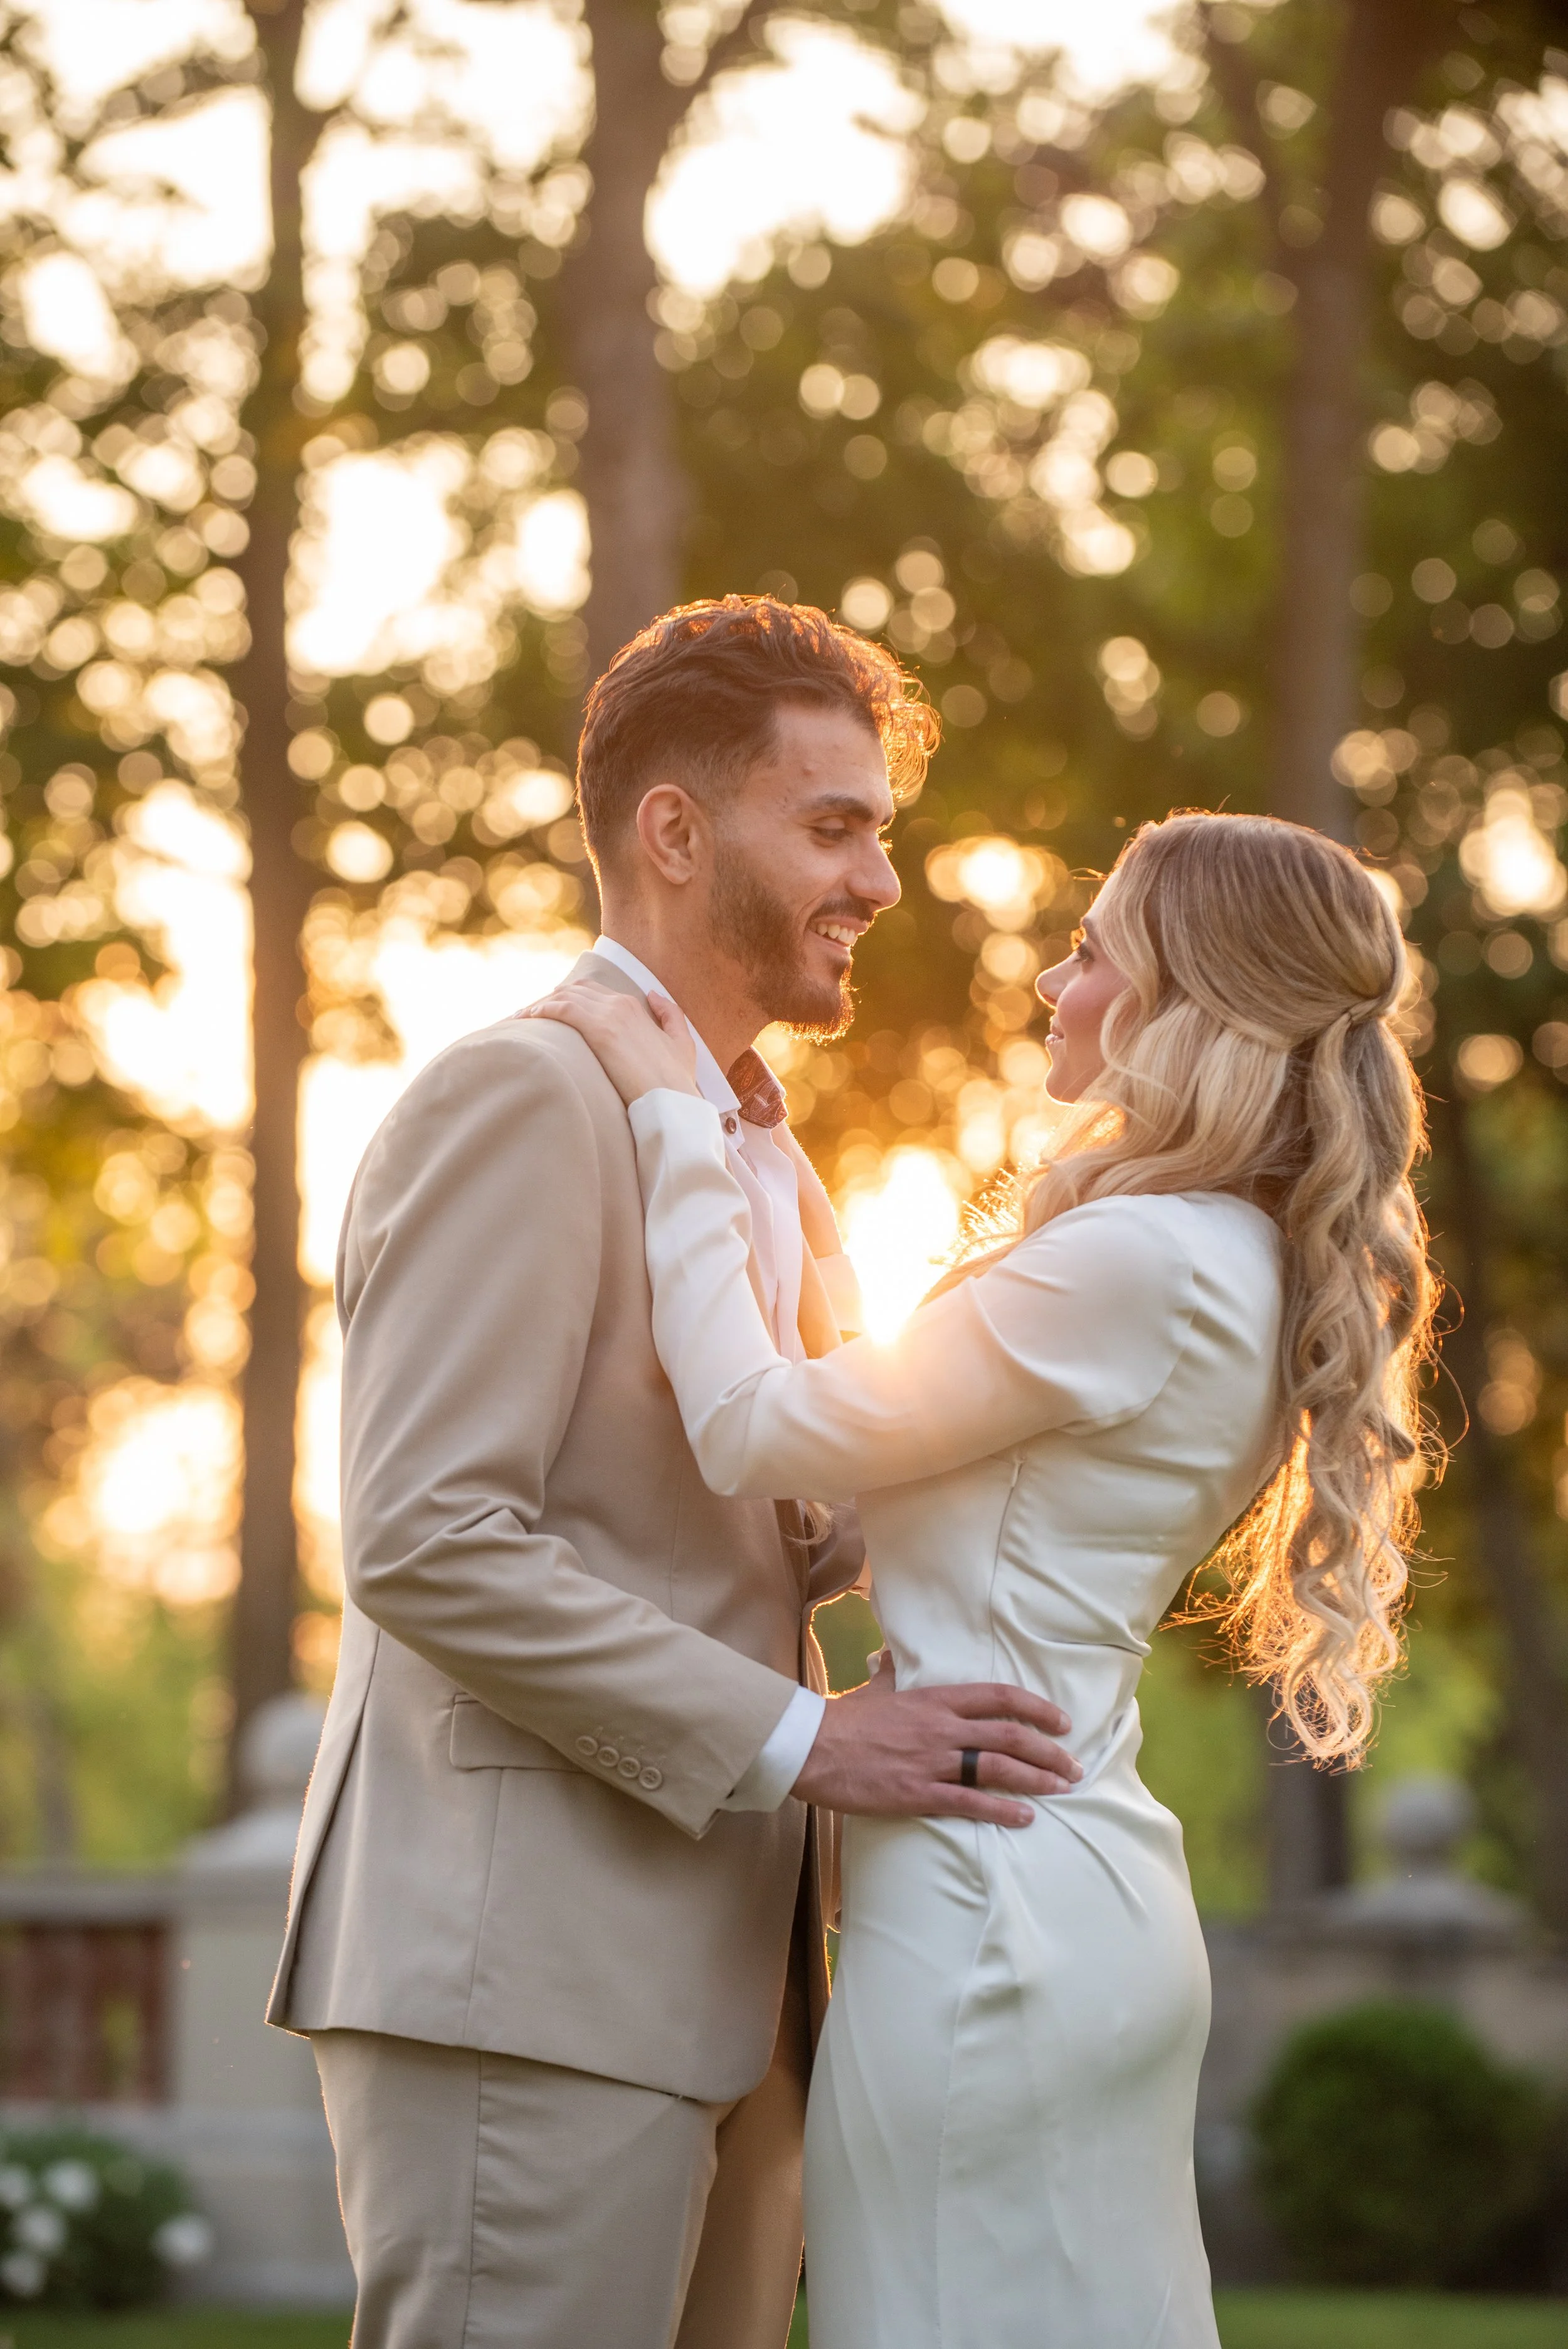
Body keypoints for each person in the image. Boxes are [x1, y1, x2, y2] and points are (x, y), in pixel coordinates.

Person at [267, 596, 1081, 2349]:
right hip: (528, 1985)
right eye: (835, 826)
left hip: (745, 1990)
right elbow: (425, 1539)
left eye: (882, 833)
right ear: (673, 831)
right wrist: (809, 1739)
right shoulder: (523, 1100)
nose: (877, 882)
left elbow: (779, 1519)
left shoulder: (761, 1151)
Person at [532, 808, 1441, 2349]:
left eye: (1090, 951)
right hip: (1060, 1886)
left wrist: (670, 1116)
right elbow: (999, 1505)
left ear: (1181, 995)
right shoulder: (1231, 1255)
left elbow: (753, 1423)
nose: (1051, 981)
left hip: (986, 1915)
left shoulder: (1140, 1257)